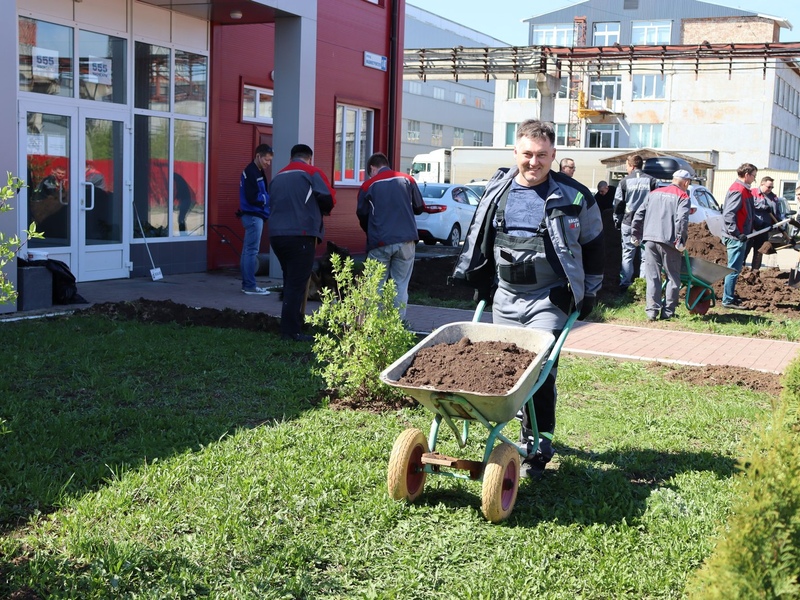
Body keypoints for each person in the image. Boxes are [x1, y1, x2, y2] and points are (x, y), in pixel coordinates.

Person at [451, 119, 604, 479]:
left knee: (538, 370)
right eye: (527, 154)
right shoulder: (497, 190)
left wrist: (591, 291)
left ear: (553, 155)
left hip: (548, 299)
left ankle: (539, 439)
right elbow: (480, 236)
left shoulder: (575, 196)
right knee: (506, 367)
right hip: (505, 295)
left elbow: (595, 245)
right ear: (514, 152)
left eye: (542, 156)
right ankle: (515, 429)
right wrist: (480, 278)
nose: (533, 162)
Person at [268, 143, 336, 342]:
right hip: (301, 234)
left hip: (277, 236)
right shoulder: (312, 172)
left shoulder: (278, 177)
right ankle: (291, 332)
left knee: (290, 280)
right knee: (297, 284)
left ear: (291, 158)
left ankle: (291, 324)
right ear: (309, 158)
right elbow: (328, 198)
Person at [356, 152, 425, 318]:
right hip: (406, 240)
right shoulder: (408, 180)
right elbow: (419, 207)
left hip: (380, 242)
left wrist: (370, 233)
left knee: (376, 285)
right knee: (400, 285)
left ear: (373, 168)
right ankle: (396, 326)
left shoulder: (368, 186)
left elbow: (362, 214)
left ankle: (374, 328)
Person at [631, 169, 692, 321]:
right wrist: (681, 241)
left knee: (653, 277)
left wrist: (635, 234)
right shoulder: (683, 196)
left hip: (650, 239)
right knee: (673, 278)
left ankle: (652, 312)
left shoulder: (654, 193)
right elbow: (682, 220)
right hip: (669, 242)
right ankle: (668, 312)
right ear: (686, 182)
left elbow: (639, 214)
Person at [613, 154, 658, 292]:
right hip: (647, 223)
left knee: (627, 254)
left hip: (628, 222)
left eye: (627, 165)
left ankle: (625, 285)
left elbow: (618, 203)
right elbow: (657, 202)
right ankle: (643, 285)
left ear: (632, 166)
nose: (627, 168)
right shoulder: (652, 181)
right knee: (646, 256)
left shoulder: (624, 182)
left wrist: (617, 220)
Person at [238, 144, 273, 295]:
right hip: (253, 216)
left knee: (248, 251)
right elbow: (253, 197)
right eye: (266, 160)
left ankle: (247, 284)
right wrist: (269, 199)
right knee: (251, 251)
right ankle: (250, 286)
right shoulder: (251, 172)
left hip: (251, 216)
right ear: (258, 156)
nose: (268, 163)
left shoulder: (255, 170)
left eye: (270, 160)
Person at [721, 163, 757, 308]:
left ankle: (729, 297)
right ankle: (727, 300)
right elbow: (729, 214)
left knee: (735, 269)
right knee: (733, 269)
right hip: (736, 237)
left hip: (741, 235)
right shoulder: (738, 190)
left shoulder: (744, 190)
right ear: (747, 174)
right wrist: (737, 233)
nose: (754, 179)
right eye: (754, 175)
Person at [746, 176, 779, 270]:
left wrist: (778, 225)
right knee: (745, 250)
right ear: (762, 184)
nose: (770, 189)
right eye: (769, 187)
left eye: (772, 187)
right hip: (751, 228)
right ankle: (741, 271)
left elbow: (777, 213)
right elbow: (749, 205)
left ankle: (755, 272)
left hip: (765, 229)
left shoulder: (773, 197)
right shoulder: (752, 193)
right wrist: (763, 206)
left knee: (759, 251)